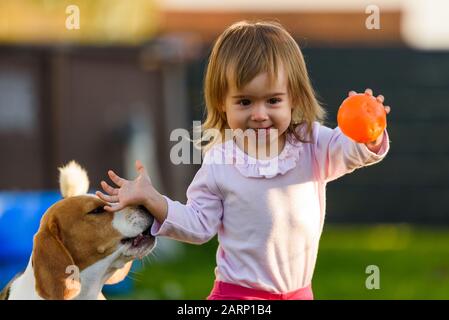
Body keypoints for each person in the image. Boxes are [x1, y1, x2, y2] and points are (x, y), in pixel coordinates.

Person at [96, 20, 391, 300]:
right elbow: (199, 225)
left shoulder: (311, 142)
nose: (260, 114)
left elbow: (353, 152)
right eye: (245, 102)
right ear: (223, 105)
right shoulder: (221, 163)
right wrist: (154, 201)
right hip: (239, 295)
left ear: (295, 99)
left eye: (273, 101)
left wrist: (369, 132)